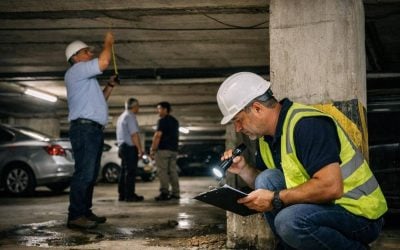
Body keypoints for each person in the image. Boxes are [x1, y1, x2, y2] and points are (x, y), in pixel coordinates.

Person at [217, 72, 387, 249]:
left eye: (238, 120)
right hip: (322, 206)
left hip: (359, 213)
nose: (237, 128)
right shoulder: (265, 139)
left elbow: (331, 187)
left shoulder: (307, 125)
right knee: (266, 179)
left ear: (258, 108)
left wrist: (275, 198)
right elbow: (271, 187)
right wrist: (243, 169)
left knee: (289, 221)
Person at [65, 31, 118, 229]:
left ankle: (84, 212)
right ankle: (75, 216)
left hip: (91, 130)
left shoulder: (86, 79)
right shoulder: (77, 70)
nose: (89, 54)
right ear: (75, 57)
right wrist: (108, 43)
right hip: (84, 129)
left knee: (91, 173)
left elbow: (100, 100)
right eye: (86, 51)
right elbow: (104, 62)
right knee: (84, 173)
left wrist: (110, 86)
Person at [150, 101, 180, 201]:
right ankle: (176, 193)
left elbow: (158, 135)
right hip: (173, 150)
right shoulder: (175, 121)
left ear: (165, 109)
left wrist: (153, 149)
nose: (158, 111)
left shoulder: (162, 121)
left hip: (163, 150)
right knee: (173, 172)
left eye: (159, 108)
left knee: (162, 171)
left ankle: (164, 192)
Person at [116, 97, 144, 202]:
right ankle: (130, 195)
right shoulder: (130, 116)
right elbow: (134, 135)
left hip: (122, 147)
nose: (138, 108)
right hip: (129, 147)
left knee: (124, 171)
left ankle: (122, 195)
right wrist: (140, 149)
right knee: (130, 172)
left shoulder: (121, 117)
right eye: (138, 106)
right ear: (134, 106)